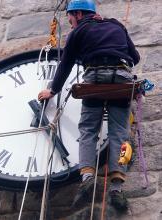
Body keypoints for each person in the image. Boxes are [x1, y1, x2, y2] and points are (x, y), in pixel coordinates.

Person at [38, 0, 140, 211]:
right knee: (119, 134)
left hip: (95, 79)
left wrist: (52, 90)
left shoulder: (78, 33)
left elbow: (65, 65)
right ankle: (117, 188)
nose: (70, 22)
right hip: (122, 80)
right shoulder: (117, 25)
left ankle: (87, 179)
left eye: (70, 18)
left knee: (88, 130)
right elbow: (135, 57)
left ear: (78, 13)